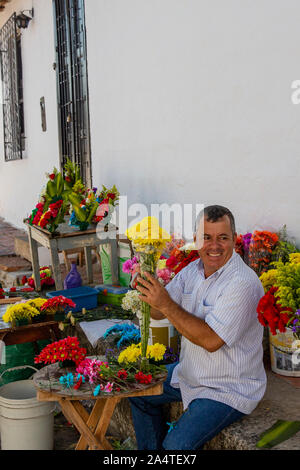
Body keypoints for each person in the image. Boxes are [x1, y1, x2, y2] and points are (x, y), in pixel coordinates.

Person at [129, 205, 267, 450]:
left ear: (234, 240)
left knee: (175, 447)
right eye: (206, 237)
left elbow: (211, 341)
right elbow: (161, 309)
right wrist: (146, 287)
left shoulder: (243, 283)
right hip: (190, 373)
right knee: (138, 392)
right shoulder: (191, 271)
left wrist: (165, 303)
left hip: (227, 388)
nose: (214, 246)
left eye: (222, 238)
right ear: (195, 240)